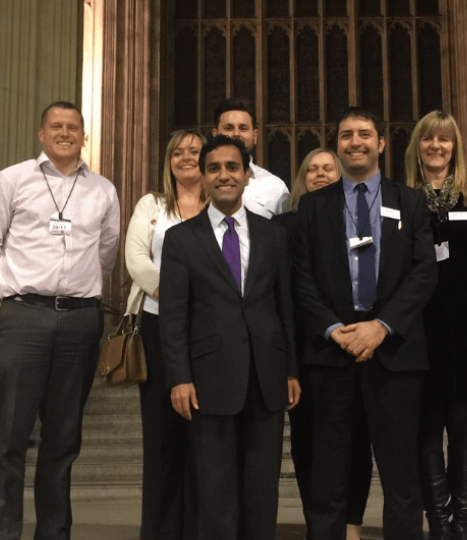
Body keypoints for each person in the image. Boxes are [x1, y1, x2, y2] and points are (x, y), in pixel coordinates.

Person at [0, 101, 120, 540]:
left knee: (63, 439)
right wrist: (11, 293)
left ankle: (54, 532)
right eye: (56, 125)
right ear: (42, 134)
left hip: (79, 321)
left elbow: (107, 251)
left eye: (73, 127)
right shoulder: (11, 180)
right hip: (23, 318)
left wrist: (80, 290)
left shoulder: (103, 190)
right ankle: (1, 532)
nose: (64, 132)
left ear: (83, 135)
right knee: (10, 435)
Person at [292, 106, 437, 540]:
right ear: (337, 144)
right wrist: (334, 329)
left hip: (392, 350)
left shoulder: (408, 200)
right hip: (332, 350)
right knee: (329, 470)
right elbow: (301, 276)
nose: (355, 142)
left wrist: (382, 326)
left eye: (364, 134)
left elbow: (424, 270)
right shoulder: (314, 206)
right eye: (346, 134)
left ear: (381, 143)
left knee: (401, 472)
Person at [159, 135, 300, 540]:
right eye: (215, 168)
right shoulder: (181, 239)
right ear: (203, 177)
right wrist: (179, 377)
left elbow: (284, 305)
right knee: (215, 490)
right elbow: (173, 318)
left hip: (266, 375)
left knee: (261, 490)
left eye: (232, 167)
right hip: (207, 379)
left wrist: (291, 368)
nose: (224, 175)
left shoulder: (273, 236)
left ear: (246, 175)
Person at [404, 111, 467, 540]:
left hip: (465, 325)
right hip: (419, 325)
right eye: (428, 139)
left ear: (454, 146)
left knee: (462, 426)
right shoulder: (403, 199)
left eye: (444, 140)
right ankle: (438, 524)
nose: (436, 147)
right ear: (418, 147)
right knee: (427, 427)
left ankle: (461, 523)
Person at [275, 148, 374, 540]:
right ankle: (319, 522)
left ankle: (351, 523)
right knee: (308, 443)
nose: (318, 174)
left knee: (356, 438)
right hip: (307, 347)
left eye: (326, 168)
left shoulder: (360, 220)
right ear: (302, 178)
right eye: (311, 169)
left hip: (358, 343)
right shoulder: (282, 225)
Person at [124, 129, 206, 540]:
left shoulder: (220, 204)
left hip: (209, 329)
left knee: (204, 434)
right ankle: (159, 531)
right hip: (158, 325)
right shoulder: (152, 204)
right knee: (161, 435)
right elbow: (136, 258)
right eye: (178, 151)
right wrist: (178, 295)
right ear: (168, 159)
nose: (186, 157)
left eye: (195, 151)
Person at [213, 96, 290, 218]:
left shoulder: (276, 188)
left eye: (243, 128)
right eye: (229, 128)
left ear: (255, 136)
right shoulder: (198, 182)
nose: (236, 134)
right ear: (215, 134)